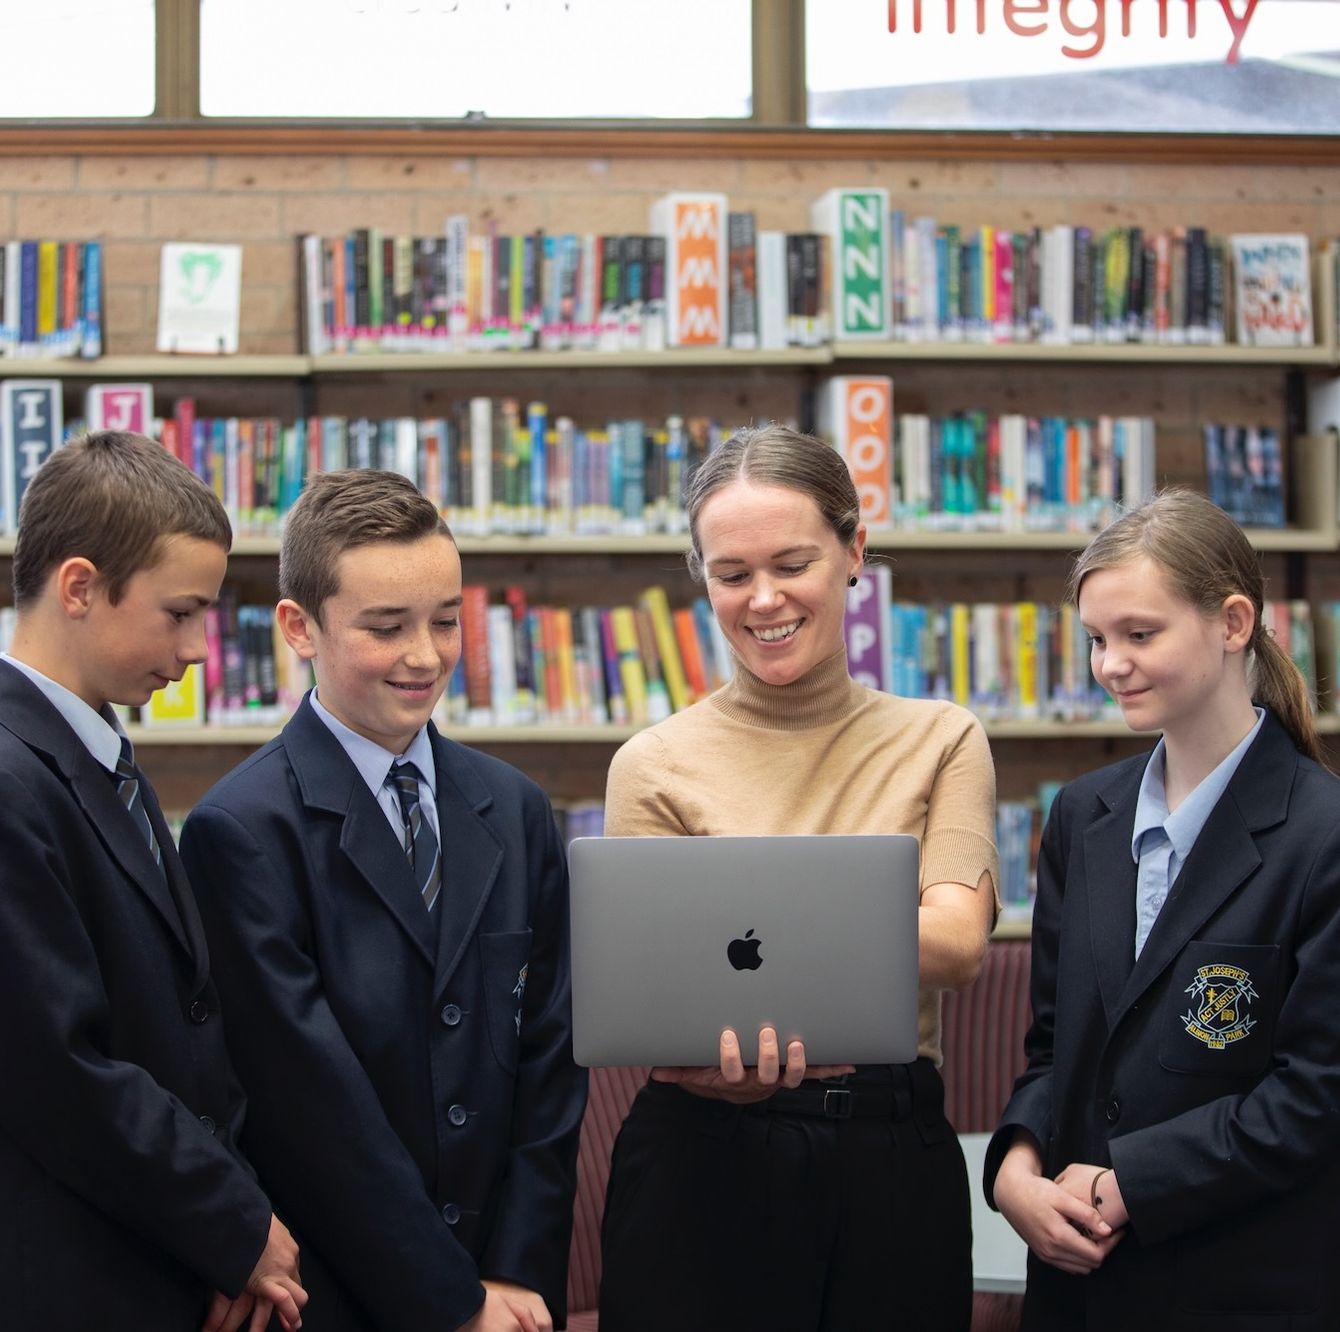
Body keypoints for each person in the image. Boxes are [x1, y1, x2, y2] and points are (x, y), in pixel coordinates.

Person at [597, 424, 1000, 1332]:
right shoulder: (652, 765)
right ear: (701, 578)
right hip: (701, 1158)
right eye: (732, 574)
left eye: (793, 563)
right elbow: (642, 1003)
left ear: (854, 551)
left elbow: (955, 945)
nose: (764, 599)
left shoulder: (943, 739)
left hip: (888, 1157)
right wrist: (851, 927)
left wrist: (745, 940)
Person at [179, 468, 587, 1332]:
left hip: (504, 1285)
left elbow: (553, 1059)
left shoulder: (514, 808)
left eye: (446, 620)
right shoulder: (242, 831)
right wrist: (451, 1303)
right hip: (343, 1293)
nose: (426, 655)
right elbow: (311, 1111)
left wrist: (514, 1273)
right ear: (299, 627)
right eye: (386, 627)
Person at [986, 488, 1340, 1331]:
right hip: (1078, 1289)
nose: (1111, 665)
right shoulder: (1082, 816)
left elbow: (1314, 1096)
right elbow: (1054, 1048)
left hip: (1240, 1285)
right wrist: (1014, 1169)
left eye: (1139, 635)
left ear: (1232, 623)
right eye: (1098, 641)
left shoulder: (1322, 834)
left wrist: (1128, 1183)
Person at [0, 430, 306, 1332]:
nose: (202, 647)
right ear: (81, 587)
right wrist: (232, 1224)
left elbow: (183, 1022)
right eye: (180, 613)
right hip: (71, 1273)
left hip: (149, 1250)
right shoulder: (10, 780)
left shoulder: (94, 752)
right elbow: (56, 1064)